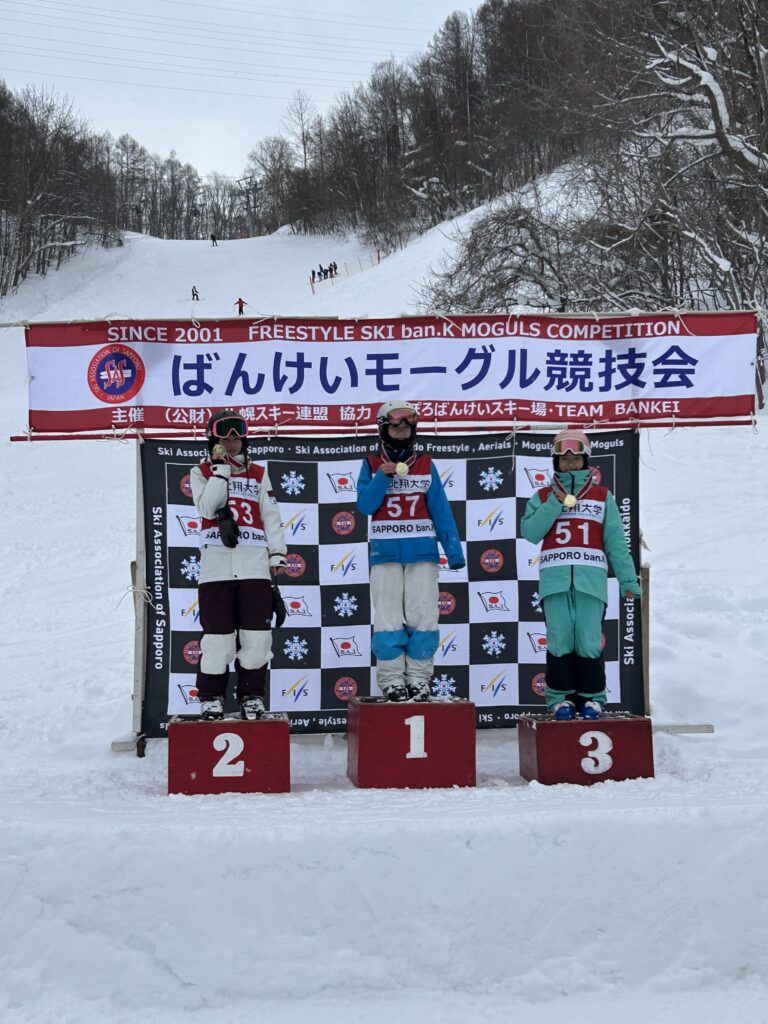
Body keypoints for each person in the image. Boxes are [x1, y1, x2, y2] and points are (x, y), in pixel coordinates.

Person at [520, 428, 642, 721]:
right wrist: (555, 502)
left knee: (588, 640)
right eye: (564, 459)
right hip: (555, 583)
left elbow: (616, 543)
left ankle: (592, 699)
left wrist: (628, 580)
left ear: (586, 460)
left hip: (591, 582)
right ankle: (559, 700)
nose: (570, 464)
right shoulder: (542, 496)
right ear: (555, 462)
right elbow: (530, 532)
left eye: (576, 459)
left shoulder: (602, 497)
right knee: (559, 639)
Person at [356, 401, 465, 701]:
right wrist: (382, 477)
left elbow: (440, 509)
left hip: (422, 553)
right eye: (396, 424)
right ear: (383, 428)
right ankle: (392, 680)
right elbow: (365, 505)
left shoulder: (425, 464)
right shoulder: (371, 463)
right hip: (385, 555)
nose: (402, 428)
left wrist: (454, 553)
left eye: (408, 423)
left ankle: (418, 678)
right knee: (388, 618)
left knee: (424, 616)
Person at [190, 410, 287, 720]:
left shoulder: (258, 473)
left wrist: (277, 554)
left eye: (237, 435)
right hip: (216, 566)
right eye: (225, 435)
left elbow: (270, 514)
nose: (232, 441)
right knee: (217, 639)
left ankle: (251, 696)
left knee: (257, 638)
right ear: (213, 439)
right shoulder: (200, 471)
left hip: (254, 565)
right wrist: (220, 471)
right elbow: (208, 508)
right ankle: (211, 698)